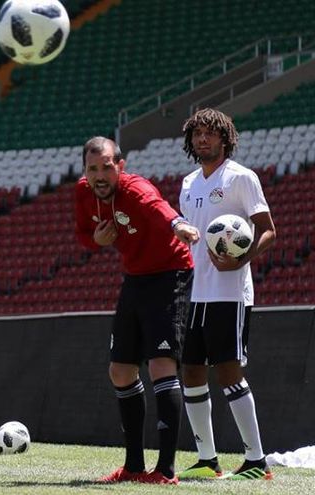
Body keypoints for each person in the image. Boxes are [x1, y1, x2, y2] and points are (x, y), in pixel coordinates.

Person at [74, 136, 196, 485]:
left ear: (120, 167)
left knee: (161, 366)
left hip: (170, 273)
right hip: (135, 278)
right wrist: (95, 241)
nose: (100, 176)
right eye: (93, 169)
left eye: (107, 167)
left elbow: (158, 207)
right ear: (84, 171)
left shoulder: (135, 189)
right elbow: (83, 234)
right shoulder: (83, 192)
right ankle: (134, 467)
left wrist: (179, 225)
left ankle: (166, 471)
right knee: (121, 371)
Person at [174, 108, 276, 481]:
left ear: (225, 138)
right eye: (197, 133)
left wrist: (241, 260)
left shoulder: (240, 177)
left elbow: (268, 230)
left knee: (228, 372)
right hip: (194, 292)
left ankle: (256, 461)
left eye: (210, 133)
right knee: (191, 371)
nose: (203, 139)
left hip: (229, 294)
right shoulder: (188, 183)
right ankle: (207, 459)